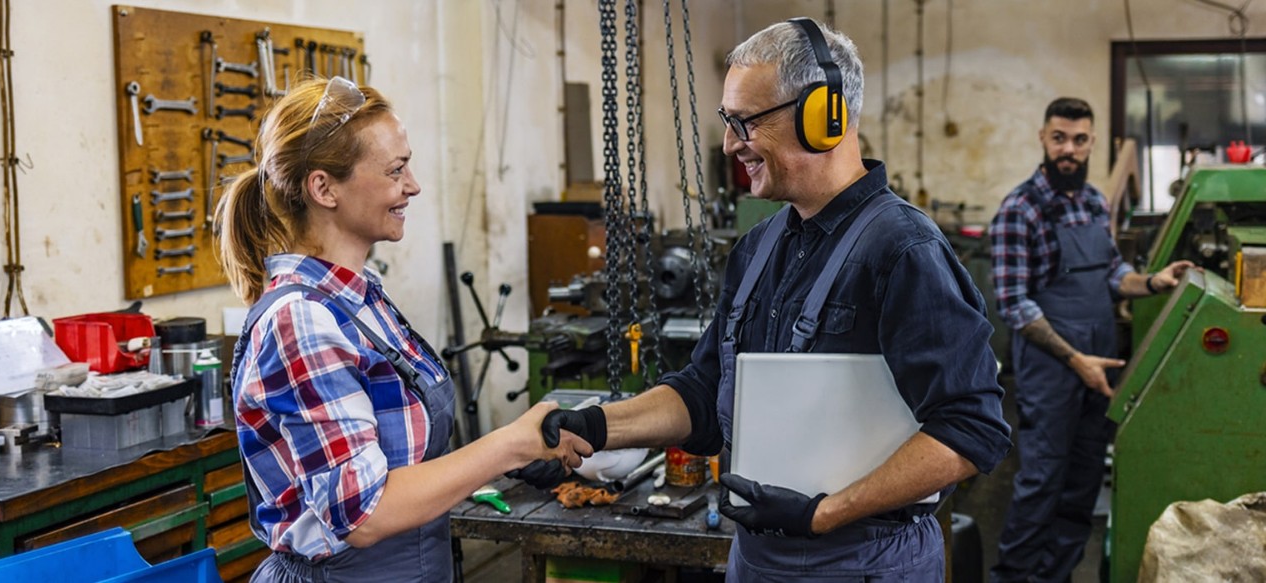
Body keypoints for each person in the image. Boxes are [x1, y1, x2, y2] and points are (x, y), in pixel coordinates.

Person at [512, 19, 1012, 580]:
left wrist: (824, 514)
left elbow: (970, 430)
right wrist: (593, 425)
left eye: (744, 122)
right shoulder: (760, 245)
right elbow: (704, 394)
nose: (729, 144)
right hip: (756, 554)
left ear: (824, 117)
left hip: (863, 560)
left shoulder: (903, 251)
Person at [216, 76, 591, 582]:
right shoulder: (300, 320)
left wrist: (506, 463)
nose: (412, 185)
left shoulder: (362, 298)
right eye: (395, 171)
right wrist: (507, 445)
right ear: (324, 188)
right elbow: (362, 511)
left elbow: (395, 459)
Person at [988, 97, 1195, 582]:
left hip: (1097, 365)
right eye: (1059, 138)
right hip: (1053, 367)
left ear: (1092, 143)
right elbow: (1013, 303)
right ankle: (1015, 577)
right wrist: (1074, 357)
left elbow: (1111, 273)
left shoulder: (1095, 202)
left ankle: (1054, 576)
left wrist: (1152, 281)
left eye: (1080, 140)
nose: (1069, 150)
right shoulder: (1021, 209)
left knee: (1081, 485)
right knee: (1042, 483)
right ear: (1043, 138)